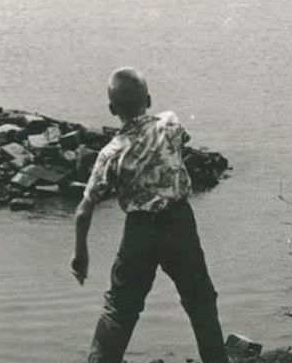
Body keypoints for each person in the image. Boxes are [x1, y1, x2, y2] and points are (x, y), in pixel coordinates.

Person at [70, 68, 228, 363]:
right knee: (201, 302)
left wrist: (81, 254)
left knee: (120, 308)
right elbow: (180, 145)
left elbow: (83, 210)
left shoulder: (111, 152)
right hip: (179, 224)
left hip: (140, 232)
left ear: (112, 109)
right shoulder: (170, 122)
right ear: (149, 98)